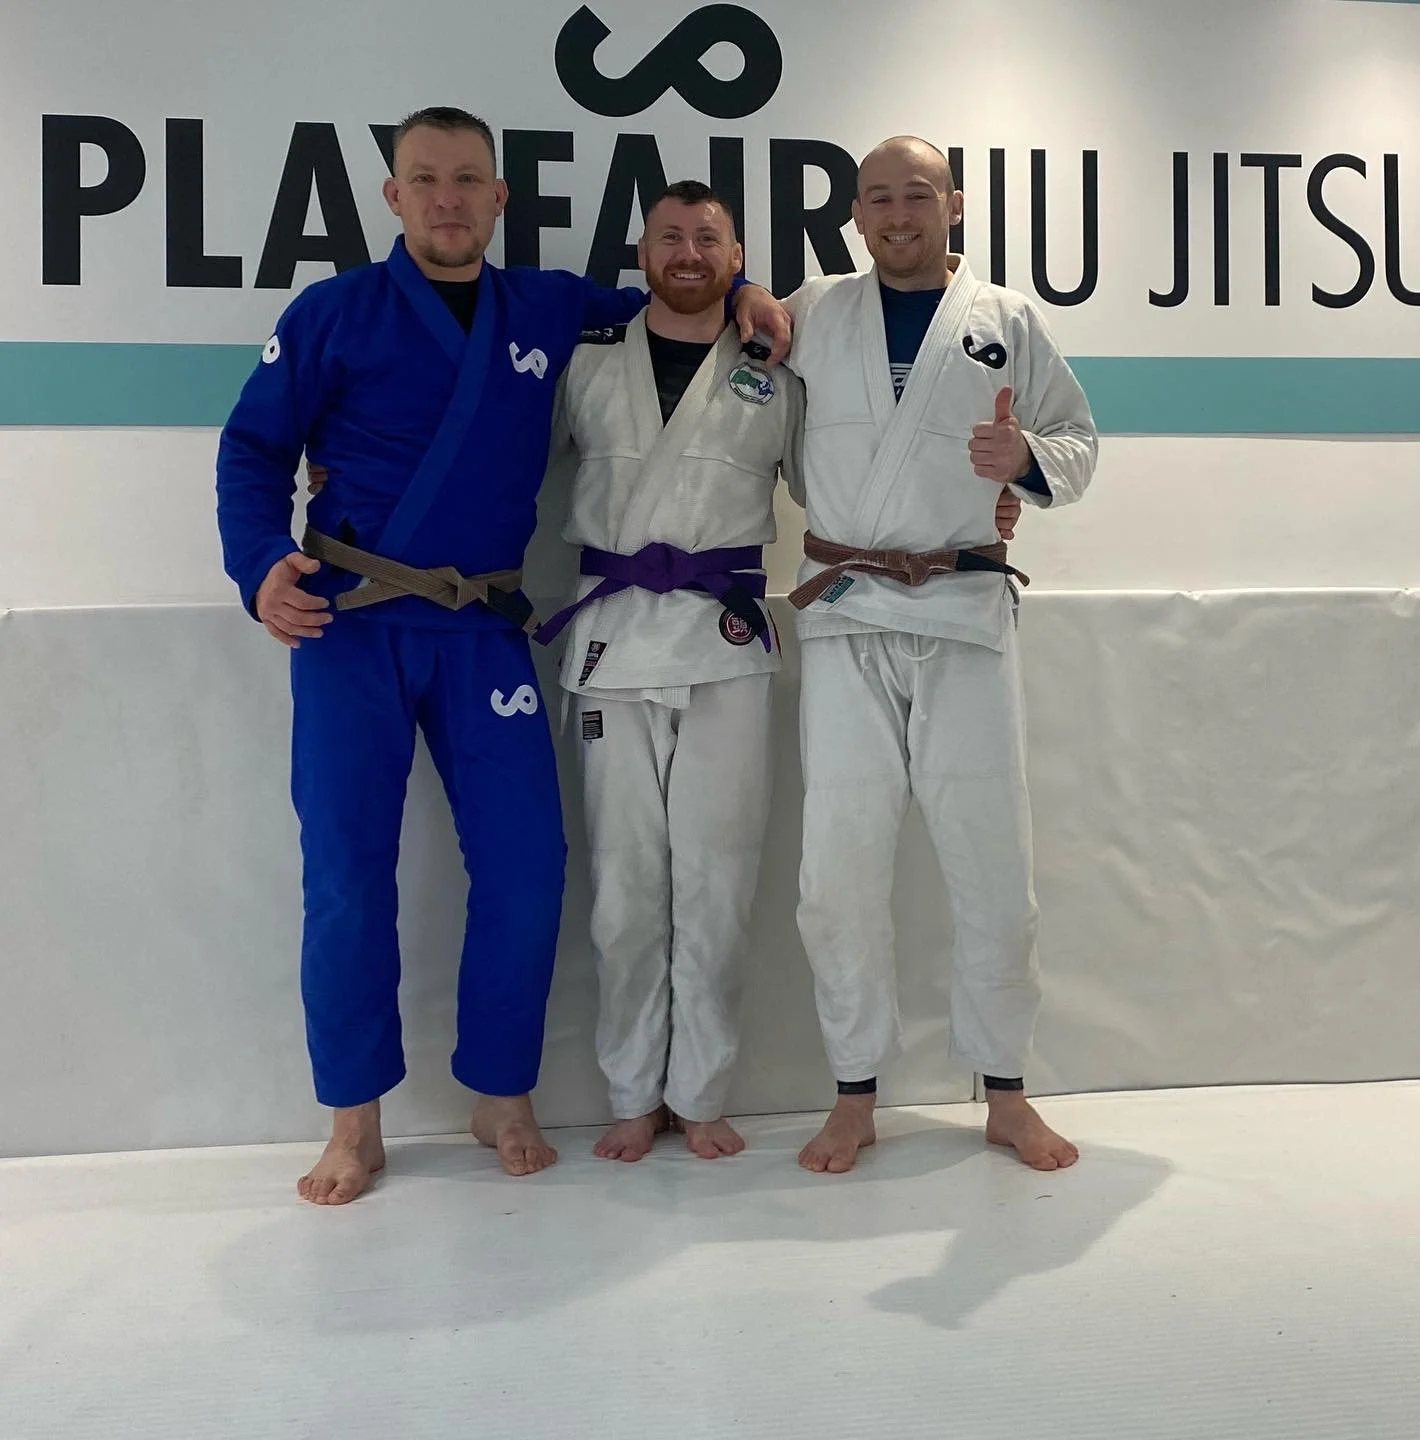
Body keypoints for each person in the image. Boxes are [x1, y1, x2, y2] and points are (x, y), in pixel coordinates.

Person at [215, 107, 789, 1205]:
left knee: (528, 870)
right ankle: (353, 1119)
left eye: (468, 179)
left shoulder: (548, 306)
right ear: (392, 196)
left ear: (499, 197)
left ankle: (501, 1091)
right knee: (345, 879)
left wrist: (752, 297)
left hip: (484, 629)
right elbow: (253, 448)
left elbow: (677, 301)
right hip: (351, 626)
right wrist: (258, 565)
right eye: (424, 178)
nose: (447, 197)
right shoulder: (334, 312)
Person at [780, 136, 1098, 1174]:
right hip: (846, 612)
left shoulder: (1005, 320)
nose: (898, 214)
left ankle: (1005, 1092)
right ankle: (854, 1092)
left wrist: (1027, 465)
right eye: (879, 199)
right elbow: (751, 410)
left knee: (992, 860)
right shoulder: (812, 311)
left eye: (918, 195)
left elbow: (1077, 440)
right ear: (858, 216)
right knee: (837, 866)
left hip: (963, 609)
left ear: (952, 205)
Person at [533, 180, 804, 1161]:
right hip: (611, 648)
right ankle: (627, 1090)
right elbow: (505, 457)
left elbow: (838, 483)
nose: (688, 252)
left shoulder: (777, 367)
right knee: (622, 889)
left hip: (724, 645)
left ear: (737, 256)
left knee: (720, 883)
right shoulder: (588, 361)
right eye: (670, 236)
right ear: (642, 250)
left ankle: (700, 1090)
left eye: (709, 238)